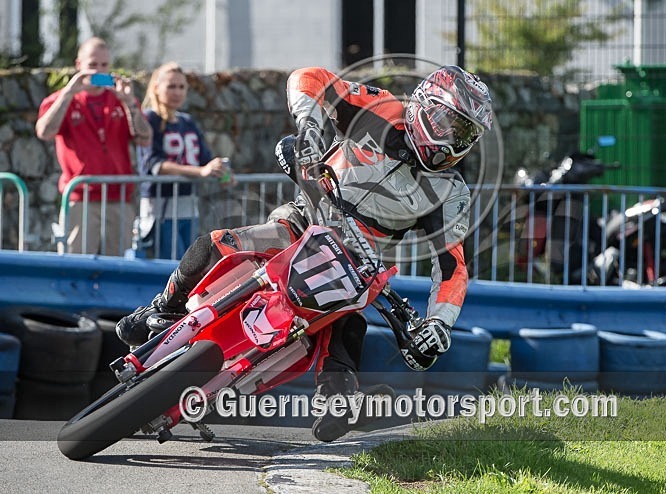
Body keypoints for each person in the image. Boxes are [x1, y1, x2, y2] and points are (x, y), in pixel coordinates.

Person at [116, 65, 493, 441]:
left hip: (355, 262)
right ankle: (161, 307)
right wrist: (309, 127)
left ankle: (337, 401)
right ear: (424, 106)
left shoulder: (450, 192)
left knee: (348, 321)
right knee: (217, 242)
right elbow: (310, 77)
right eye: (450, 124)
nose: (453, 143)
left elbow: (452, 266)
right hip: (303, 220)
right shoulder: (380, 108)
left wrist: (439, 323)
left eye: (466, 135)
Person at [35, 37, 152, 255]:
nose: (98, 70)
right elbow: (44, 132)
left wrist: (129, 103)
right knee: (76, 268)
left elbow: (144, 138)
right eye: (92, 65)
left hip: (119, 197)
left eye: (104, 65)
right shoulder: (61, 99)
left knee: (118, 269)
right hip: (81, 198)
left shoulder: (121, 99)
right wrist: (68, 93)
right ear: (78, 66)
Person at [137, 62, 230, 260]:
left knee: (189, 267)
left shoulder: (187, 121)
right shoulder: (149, 119)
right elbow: (155, 165)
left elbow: (205, 158)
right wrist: (200, 172)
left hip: (188, 207)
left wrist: (222, 172)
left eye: (181, 87)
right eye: (171, 86)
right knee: (170, 267)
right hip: (161, 208)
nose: (177, 92)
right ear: (156, 88)